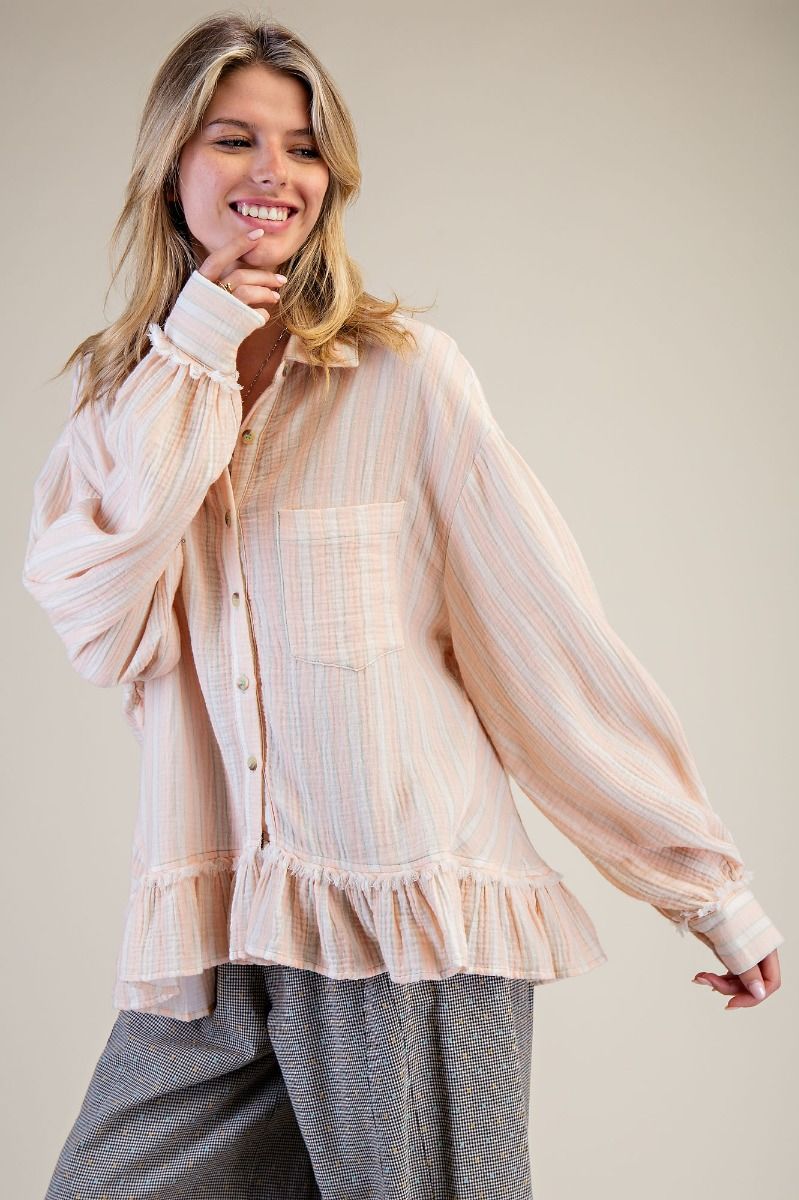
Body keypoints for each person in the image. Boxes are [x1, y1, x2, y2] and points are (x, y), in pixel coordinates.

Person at [22, 11, 783, 1200]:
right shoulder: (121, 401)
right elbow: (98, 623)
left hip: (406, 920)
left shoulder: (406, 377)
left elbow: (542, 641)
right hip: (216, 926)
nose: (274, 172)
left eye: (303, 148)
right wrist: (199, 346)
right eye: (234, 139)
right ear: (172, 165)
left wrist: (705, 889)